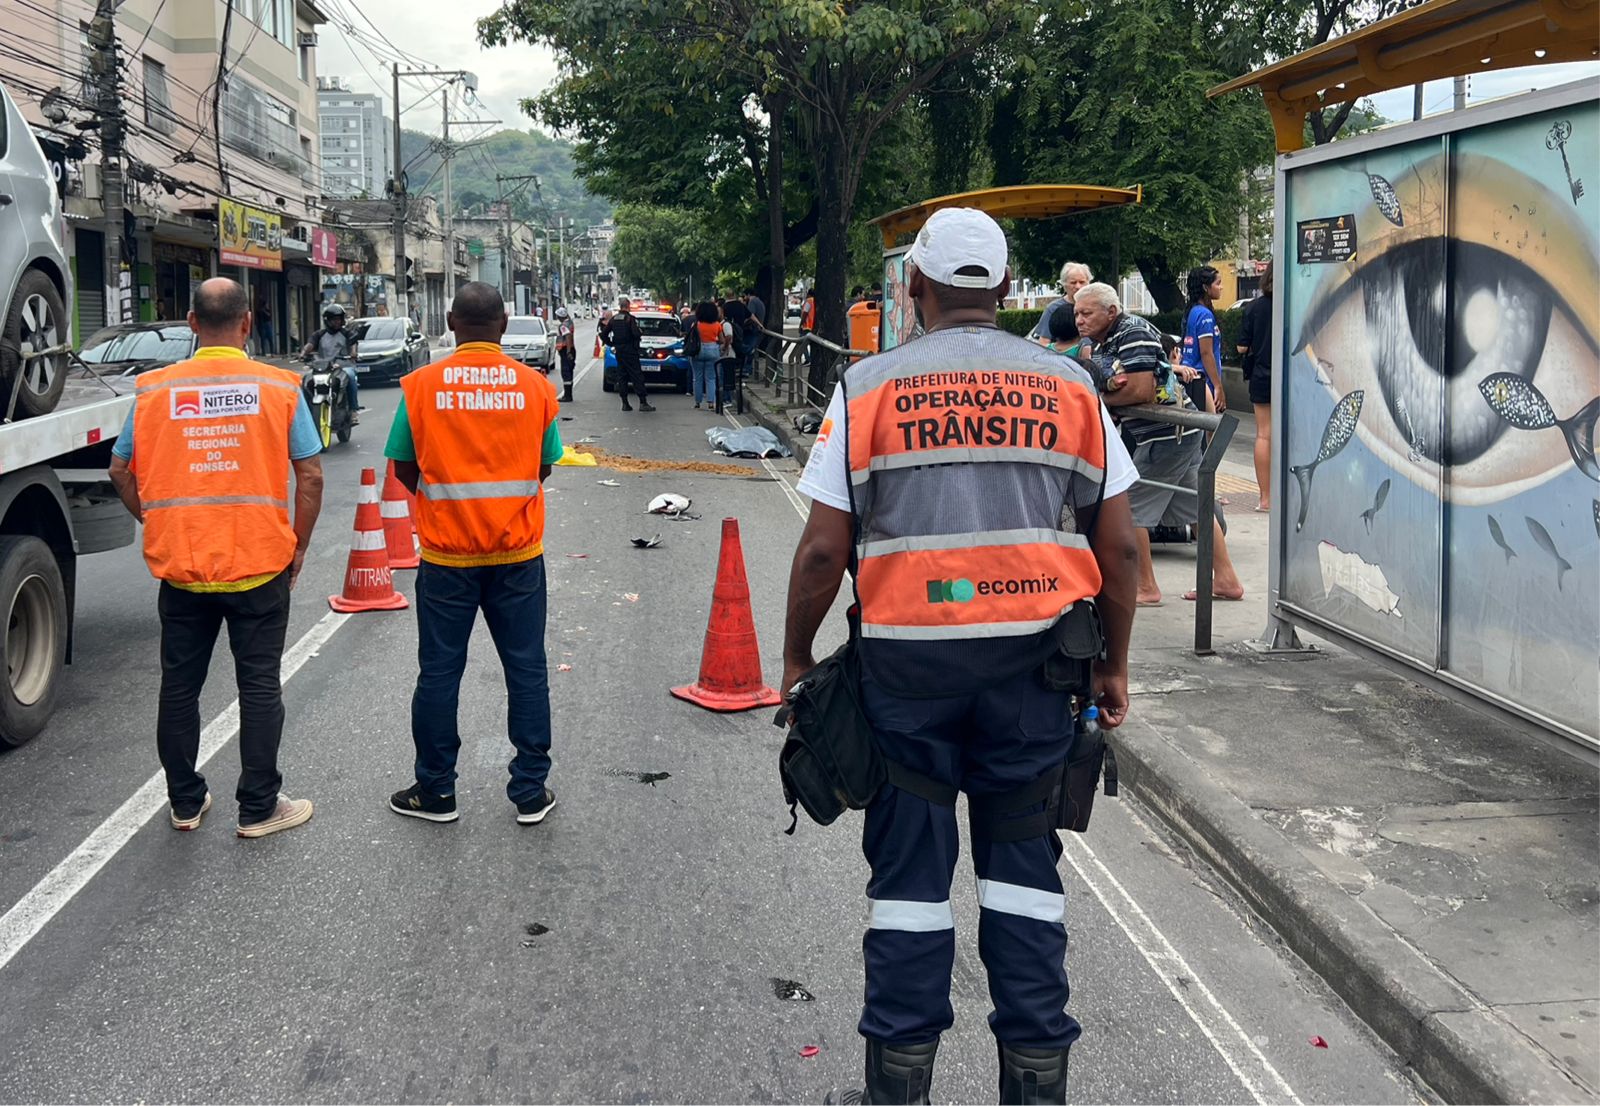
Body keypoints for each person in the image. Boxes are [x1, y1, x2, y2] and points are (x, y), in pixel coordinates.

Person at [783, 209, 1141, 1106]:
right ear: (1002, 288)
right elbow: (1124, 547)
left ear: (916, 288)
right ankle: (1035, 1085)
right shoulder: (1069, 385)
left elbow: (824, 551)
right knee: (1024, 880)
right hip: (1034, 676)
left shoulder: (866, 389)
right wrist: (1114, 667)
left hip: (907, 680)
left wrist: (796, 658)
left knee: (909, 889)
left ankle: (898, 1089)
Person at [107, 277, 323, 839]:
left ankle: (184, 802)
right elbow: (311, 474)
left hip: (183, 565)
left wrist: (159, 522)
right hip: (259, 564)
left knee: (179, 686)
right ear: (248, 324)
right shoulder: (279, 387)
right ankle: (258, 807)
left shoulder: (155, 390)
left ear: (191, 323)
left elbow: (120, 471)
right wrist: (298, 545)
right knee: (258, 686)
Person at [383, 281, 564, 826]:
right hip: (517, 556)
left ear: (450, 321)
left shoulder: (421, 386)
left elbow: (403, 466)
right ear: (504, 325)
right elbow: (544, 464)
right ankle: (530, 791)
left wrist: (447, 504)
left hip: (446, 559)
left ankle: (436, 791)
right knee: (527, 670)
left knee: (439, 673)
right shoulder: (535, 388)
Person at [1073, 282, 1245, 606]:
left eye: (1086, 312)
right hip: (1173, 432)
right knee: (1196, 505)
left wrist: (1100, 397)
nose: (1079, 319)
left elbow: (1140, 391)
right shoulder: (1106, 340)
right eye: (1076, 313)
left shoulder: (1130, 333)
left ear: (1110, 311)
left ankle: (1146, 586)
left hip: (1167, 434)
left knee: (1129, 506)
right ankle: (1225, 579)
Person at [1237, 262, 1273, 511]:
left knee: (1264, 434)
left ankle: (1265, 498)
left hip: (1262, 375)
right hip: (1292, 378)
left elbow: (1241, 347)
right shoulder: (1293, 304)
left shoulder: (1254, 308)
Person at [301, 303, 361, 423]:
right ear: (327, 320)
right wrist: (303, 353)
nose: (337, 322)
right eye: (334, 319)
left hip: (344, 366)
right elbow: (309, 345)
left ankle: (354, 410)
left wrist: (353, 353)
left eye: (339, 319)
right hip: (324, 367)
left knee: (350, 377)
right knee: (306, 380)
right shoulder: (319, 334)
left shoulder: (346, 333)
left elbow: (353, 343)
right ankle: (306, 410)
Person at [1180, 266, 1226, 415]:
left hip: (1193, 379)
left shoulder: (1193, 311)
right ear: (1206, 287)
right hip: (1204, 381)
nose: (1221, 287)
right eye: (1218, 283)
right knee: (1211, 431)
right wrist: (1218, 386)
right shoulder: (1204, 315)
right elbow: (1206, 353)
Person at [601, 295, 654, 412]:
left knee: (622, 377)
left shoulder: (614, 319)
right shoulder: (630, 319)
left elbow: (603, 334)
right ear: (628, 306)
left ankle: (625, 403)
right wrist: (639, 334)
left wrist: (612, 344)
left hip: (619, 352)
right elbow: (636, 334)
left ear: (620, 306)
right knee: (637, 376)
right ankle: (643, 403)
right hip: (630, 351)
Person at [1028, 261, 1093, 342]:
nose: (1078, 286)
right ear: (1064, 285)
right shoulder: (1053, 309)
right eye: (1073, 283)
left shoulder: (1097, 306)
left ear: (1089, 283)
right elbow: (1044, 342)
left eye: (1082, 282)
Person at [688, 301, 729, 409]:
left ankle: (697, 402)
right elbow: (721, 340)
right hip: (712, 351)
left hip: (698, 351)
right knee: (711, 378)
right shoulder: (717, 325)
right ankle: (711, 402)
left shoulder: (696, 325)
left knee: (697, 377)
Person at [553, 305, 577, 403]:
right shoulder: (569, 323)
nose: (557, 318)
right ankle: (568, 395)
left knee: (566, 372)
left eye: (558, 316)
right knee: (569, 372)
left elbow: (568, 337)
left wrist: (568, 351)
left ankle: (567, 396)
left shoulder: (563, 326)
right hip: (570, 349)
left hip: (566, 350)